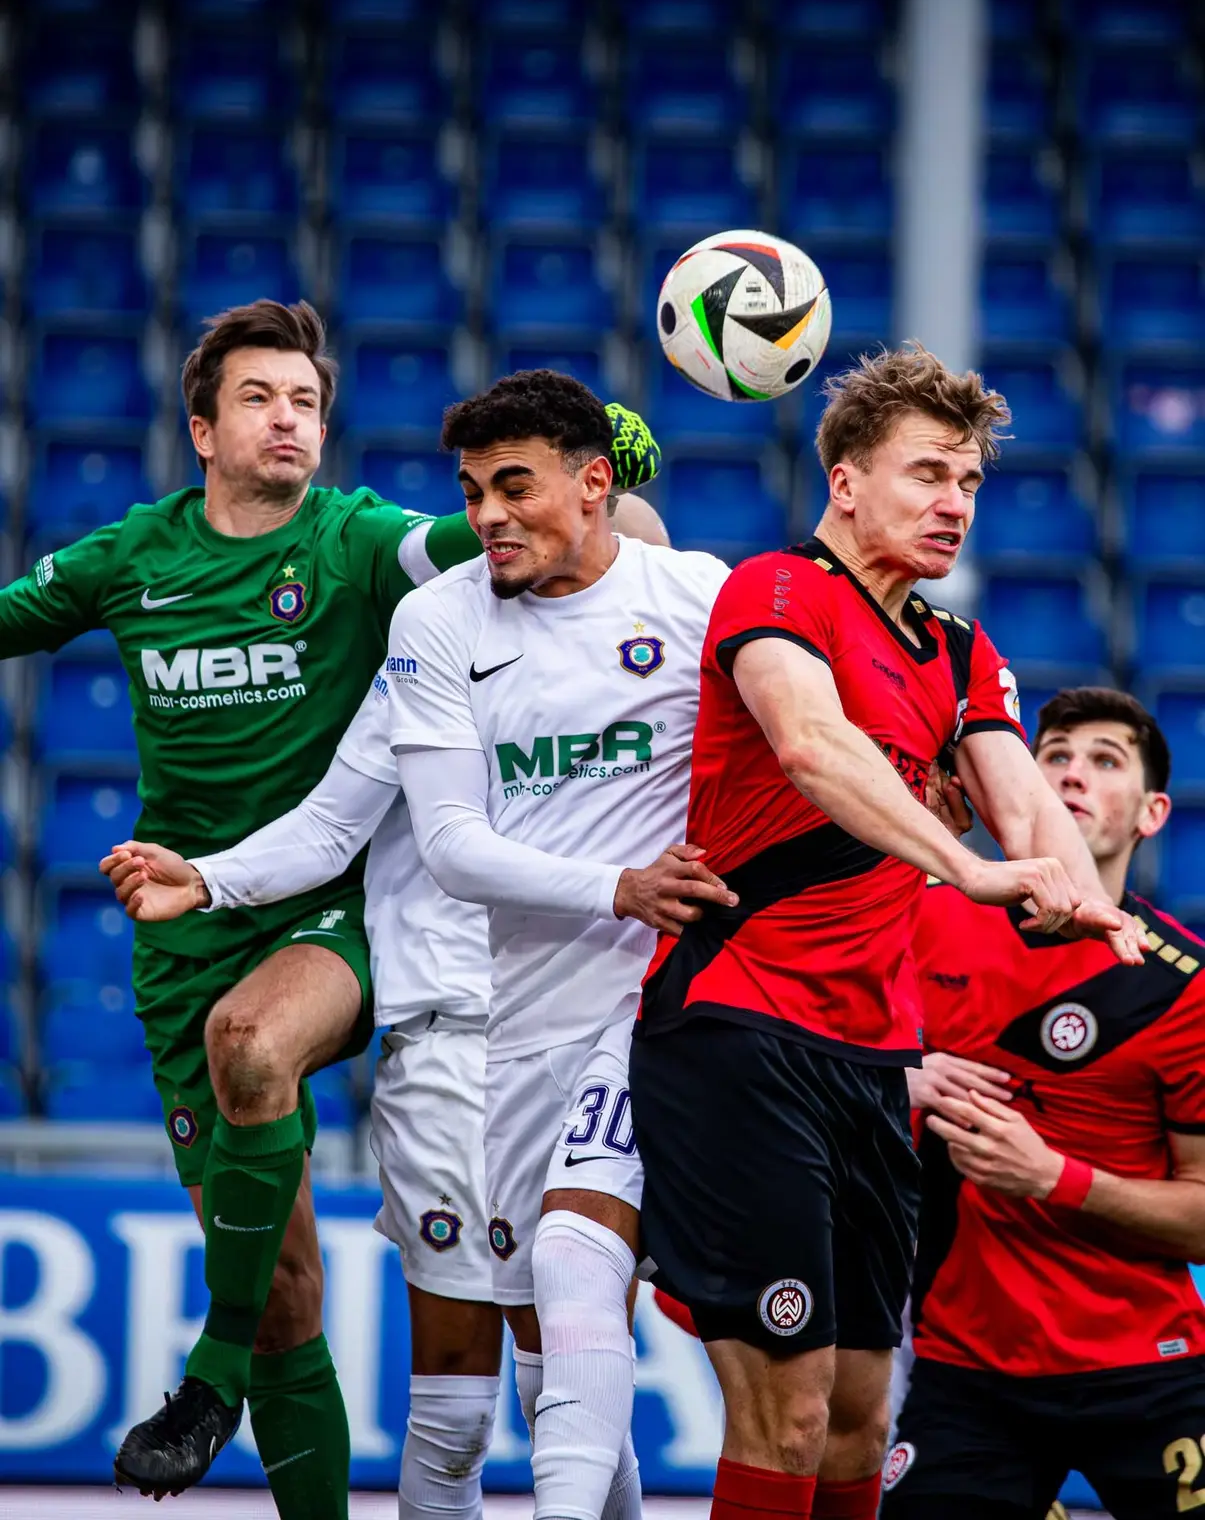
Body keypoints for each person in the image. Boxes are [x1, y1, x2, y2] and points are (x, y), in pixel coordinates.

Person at [626, 344, 1146, 1520]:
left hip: (871, 1061)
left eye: (967, 482)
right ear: (845, 481)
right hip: (739, 1027)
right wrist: (967, 865)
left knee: (862, 1411)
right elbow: (811, 746)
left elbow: (1025, 806)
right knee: (787, 1408)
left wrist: (1089, 904)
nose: (954, 503)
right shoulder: (774, 590)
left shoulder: (958, 651)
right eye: (926, 474)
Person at [98, 476, 668, 1520]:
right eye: (482, 495)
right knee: (452, 1415)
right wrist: (210, 878)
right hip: (446, 1035)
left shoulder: (662, 644)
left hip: (600, 1035)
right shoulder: (433, 636)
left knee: (564, 1381)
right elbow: (330, 825)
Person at [0, 299, 483, 1509]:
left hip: (324, 910)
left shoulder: (357, 539)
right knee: (281, 1293)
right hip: (182, 930)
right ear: (203, 430)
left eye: (306, 401)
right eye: (259, 398)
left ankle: (205, 1378)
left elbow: (490, 536)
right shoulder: (133, 557)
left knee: (253, 1039)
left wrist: (592, 479)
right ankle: (246, 1372)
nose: (288, 419)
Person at [381, 368, 734, 1520]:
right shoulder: (438, 620)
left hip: (669, 1005)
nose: (487, 514)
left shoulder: (697, 595)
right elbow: (449, 844)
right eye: (472, 490)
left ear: (593, 484)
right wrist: (617, 885)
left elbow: (799, 738)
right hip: (524, 1017)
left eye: (513, 485)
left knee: (573, 1263)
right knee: (553, 1370)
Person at [883, 687, 1205, 1520]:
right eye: (1052, 756)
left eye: (1104, 761)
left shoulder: (1185, 988)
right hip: (965, 1375)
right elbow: (799, 1061)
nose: (1070, 775)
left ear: (1152, 813)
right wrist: (898, 1077)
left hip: (1150, 1367)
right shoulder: (917, 923)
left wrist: (1053, 1178)